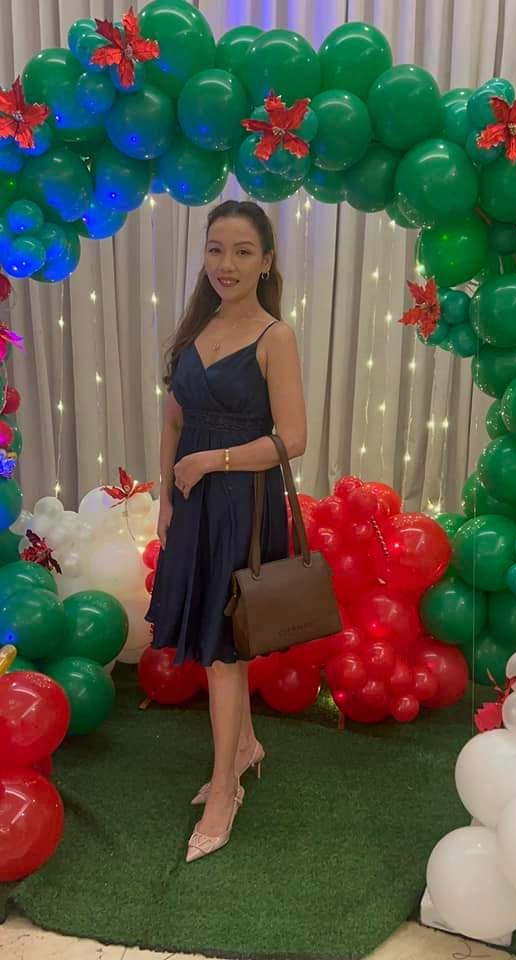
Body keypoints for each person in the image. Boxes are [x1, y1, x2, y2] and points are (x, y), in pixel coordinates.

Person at [146, 199, 307, 863]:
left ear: (266, 261)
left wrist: (213, 461)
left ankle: (224, 789)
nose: (226, 264)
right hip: (192, 505)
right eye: (216, 249)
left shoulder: (275, 337)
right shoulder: (195, 326)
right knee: (214, 645)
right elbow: (174, 420)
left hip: (243, 505)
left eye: (243, 251)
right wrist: (165, 495)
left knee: (223, 652)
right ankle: (243, 747)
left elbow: (292, 439)